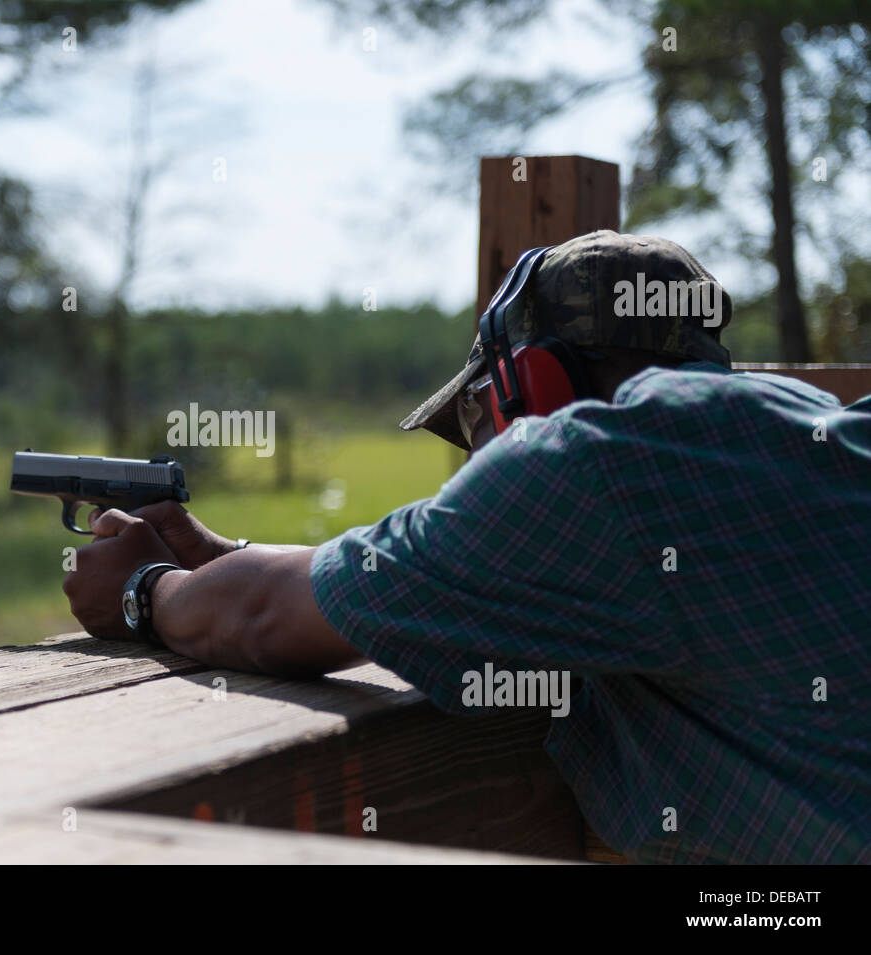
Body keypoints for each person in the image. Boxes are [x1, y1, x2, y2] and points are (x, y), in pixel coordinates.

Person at [61, 230, 871, 864]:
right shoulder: (791, 427)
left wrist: (144, 590)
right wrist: (218, 554)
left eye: (477, 417)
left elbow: (272, 617)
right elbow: (384, 573)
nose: (476, 458)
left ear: (530, 387)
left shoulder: (591, 466)